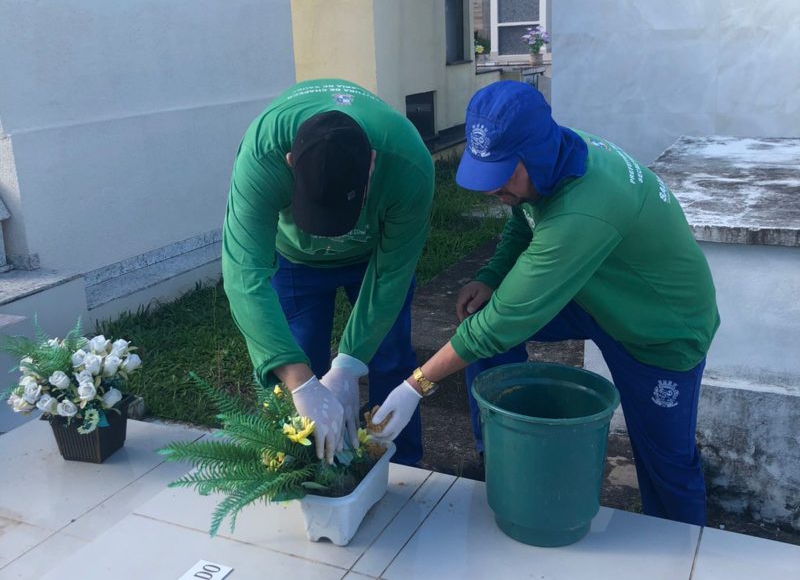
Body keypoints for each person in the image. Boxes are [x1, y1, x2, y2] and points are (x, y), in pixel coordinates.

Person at [370, 80, 719, 526]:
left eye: (503, 175)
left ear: (533, 152)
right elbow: (524, 217)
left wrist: (414, 385)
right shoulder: (554, 157)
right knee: (485, 328)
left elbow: (503, 321)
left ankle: (688, 554)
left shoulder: (587, 206)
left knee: (667, 465)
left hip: (659, 328)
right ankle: (498, 461)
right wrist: (491, 276)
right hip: (593, 294)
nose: (493, 190)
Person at [222, 78, 434, 466]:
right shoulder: (262, 154)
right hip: (295, 261)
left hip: (373, 259)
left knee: (388, 357)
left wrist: (351, 363)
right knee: (297, 364)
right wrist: (301, 381)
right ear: (289, 163)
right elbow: (243, 275)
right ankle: (304, 471)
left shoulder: (408, 164)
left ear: (372, 162)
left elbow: (392, 274)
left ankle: (402, 467)